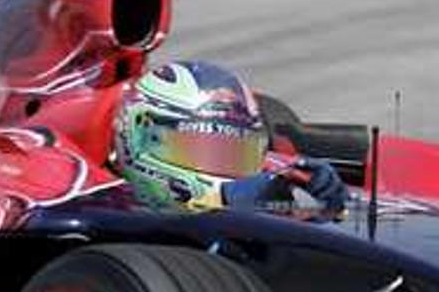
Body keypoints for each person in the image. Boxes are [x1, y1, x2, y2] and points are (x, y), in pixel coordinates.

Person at [112, 60, 348, 215]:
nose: (222, 168)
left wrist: (329, 202)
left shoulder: (274, 177)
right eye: (199, 149)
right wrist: (230, 197)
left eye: (235, 154)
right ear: (141, 137)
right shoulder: (103, 214)